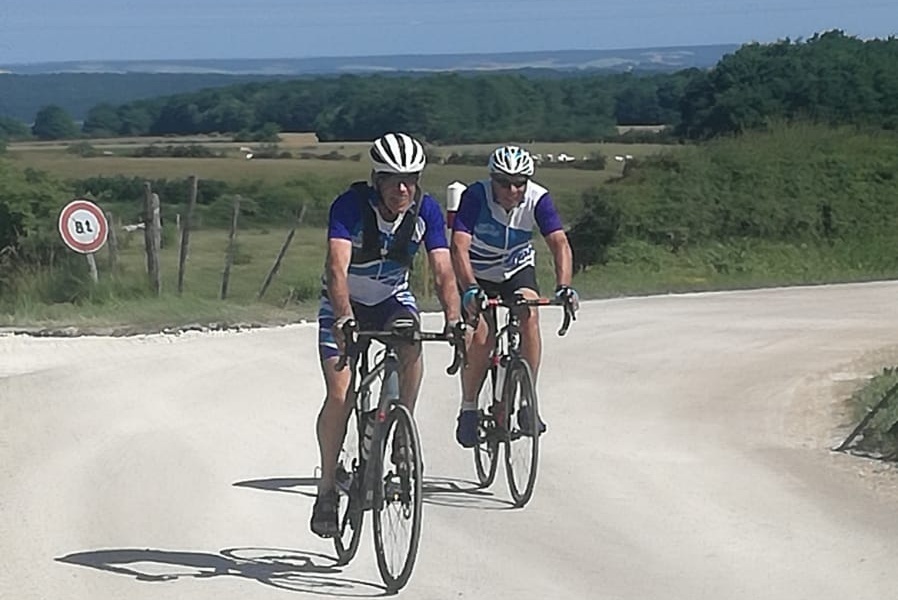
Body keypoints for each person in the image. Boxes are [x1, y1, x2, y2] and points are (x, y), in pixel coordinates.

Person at [310, 132, 462, 538]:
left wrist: (454, 318)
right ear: (376, 180)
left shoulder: (426, 211)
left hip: (393, 299)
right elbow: (336, 268)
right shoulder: (350, 207)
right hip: (345, 303)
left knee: (412, 343)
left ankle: (400, 431)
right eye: (394, 180)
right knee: (340, 395)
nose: (403, 189)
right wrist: (344, 316)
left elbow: (443, 270)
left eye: (410, 180)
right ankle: (327, 488)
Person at [450, 144, 579, 448]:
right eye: (504, 183)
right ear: (492, 179)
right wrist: (470, 288)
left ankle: (526, 402)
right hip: (478, 272)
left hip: (516, 269)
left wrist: (564, 285)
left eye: (519, 183)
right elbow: (458, 246)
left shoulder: (538, 198)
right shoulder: (475, 196)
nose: (512, 190)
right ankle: (469, 408)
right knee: (482, 337)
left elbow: (559, 243)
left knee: (529, 314)